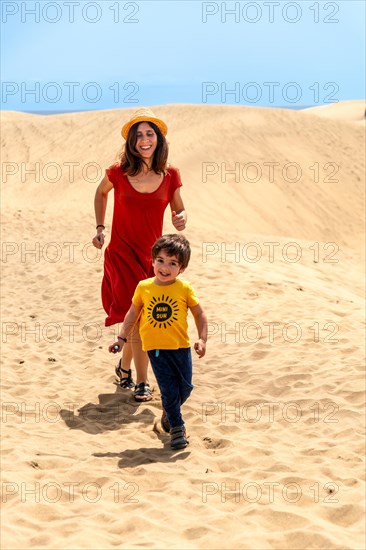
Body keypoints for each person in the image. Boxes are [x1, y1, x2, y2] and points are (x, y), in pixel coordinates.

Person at [92, 108, 187, 402]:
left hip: (152, 260)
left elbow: (178, 208)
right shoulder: (117, 172)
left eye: (149, 134)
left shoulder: (170, 175)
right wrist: (99, 227)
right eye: (139, 135)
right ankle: (143, 382)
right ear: (132, 141)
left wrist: (181, 217)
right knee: (139, 321)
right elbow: (100, 193)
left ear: (158, 139)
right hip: (121, 254)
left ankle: (123, 369)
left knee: (139, 321)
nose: (144, 140)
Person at [109, 234, 207, 450]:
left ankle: (168, 412)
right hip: (155, 350)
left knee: (185, 387)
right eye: (160, 260)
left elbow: (199, 314)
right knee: (169, 389)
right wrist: (121, 338)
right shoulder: (144, 287)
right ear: (152, 261)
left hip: (181, 347)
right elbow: (132, 313)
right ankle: (177, 427)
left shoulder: (184, 288)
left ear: (181, 269)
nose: (165, 267)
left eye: (172, 263)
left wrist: (202, 339)